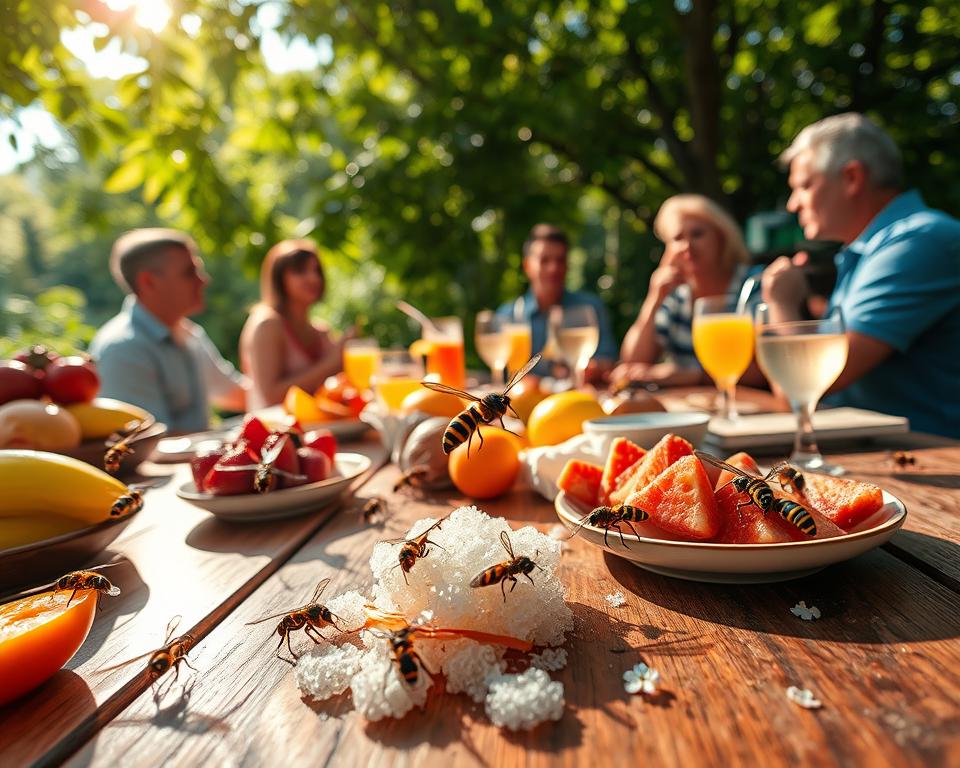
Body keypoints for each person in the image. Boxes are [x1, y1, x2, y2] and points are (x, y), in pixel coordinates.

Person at [761, 113, 960, 438]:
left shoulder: (918, 243)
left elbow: (799, 391)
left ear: (852, 177)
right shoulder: (870, 250)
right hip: (886, 451)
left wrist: (781, 302)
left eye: (804, 186)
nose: (793, 204)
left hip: (932, 461)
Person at [90, 229, 248, 434]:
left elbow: (234, 394)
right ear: (148, 282)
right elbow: (147, 440)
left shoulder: (188, 332)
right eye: (189, 273)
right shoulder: (122, 348)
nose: (204, 280)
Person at [613, 194, 760, 387]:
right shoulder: (676, 297)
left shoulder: (754, 285)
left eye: (697, 234)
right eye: (677, 238)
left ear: (722, 237)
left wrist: (689, 375)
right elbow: (632, 363)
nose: (687, 246)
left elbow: (761, 371)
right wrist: (654, 298)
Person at [496, 224, 617, 382]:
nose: (553, 268)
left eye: (560, 260)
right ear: (527, 266)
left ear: (567, 265)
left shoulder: (590, 308)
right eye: (544, 260)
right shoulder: (508, 315)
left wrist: (592, 368)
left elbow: (608, 360)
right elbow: (503, 375)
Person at [239, 239, 347, 410]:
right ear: (278, 279)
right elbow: (271, 396)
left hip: (320, 430)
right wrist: (332, 363)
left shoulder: (321, 332)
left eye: (316, 271)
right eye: (300, 271)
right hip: (275, 433)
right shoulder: (267, 324)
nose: (313, 278)